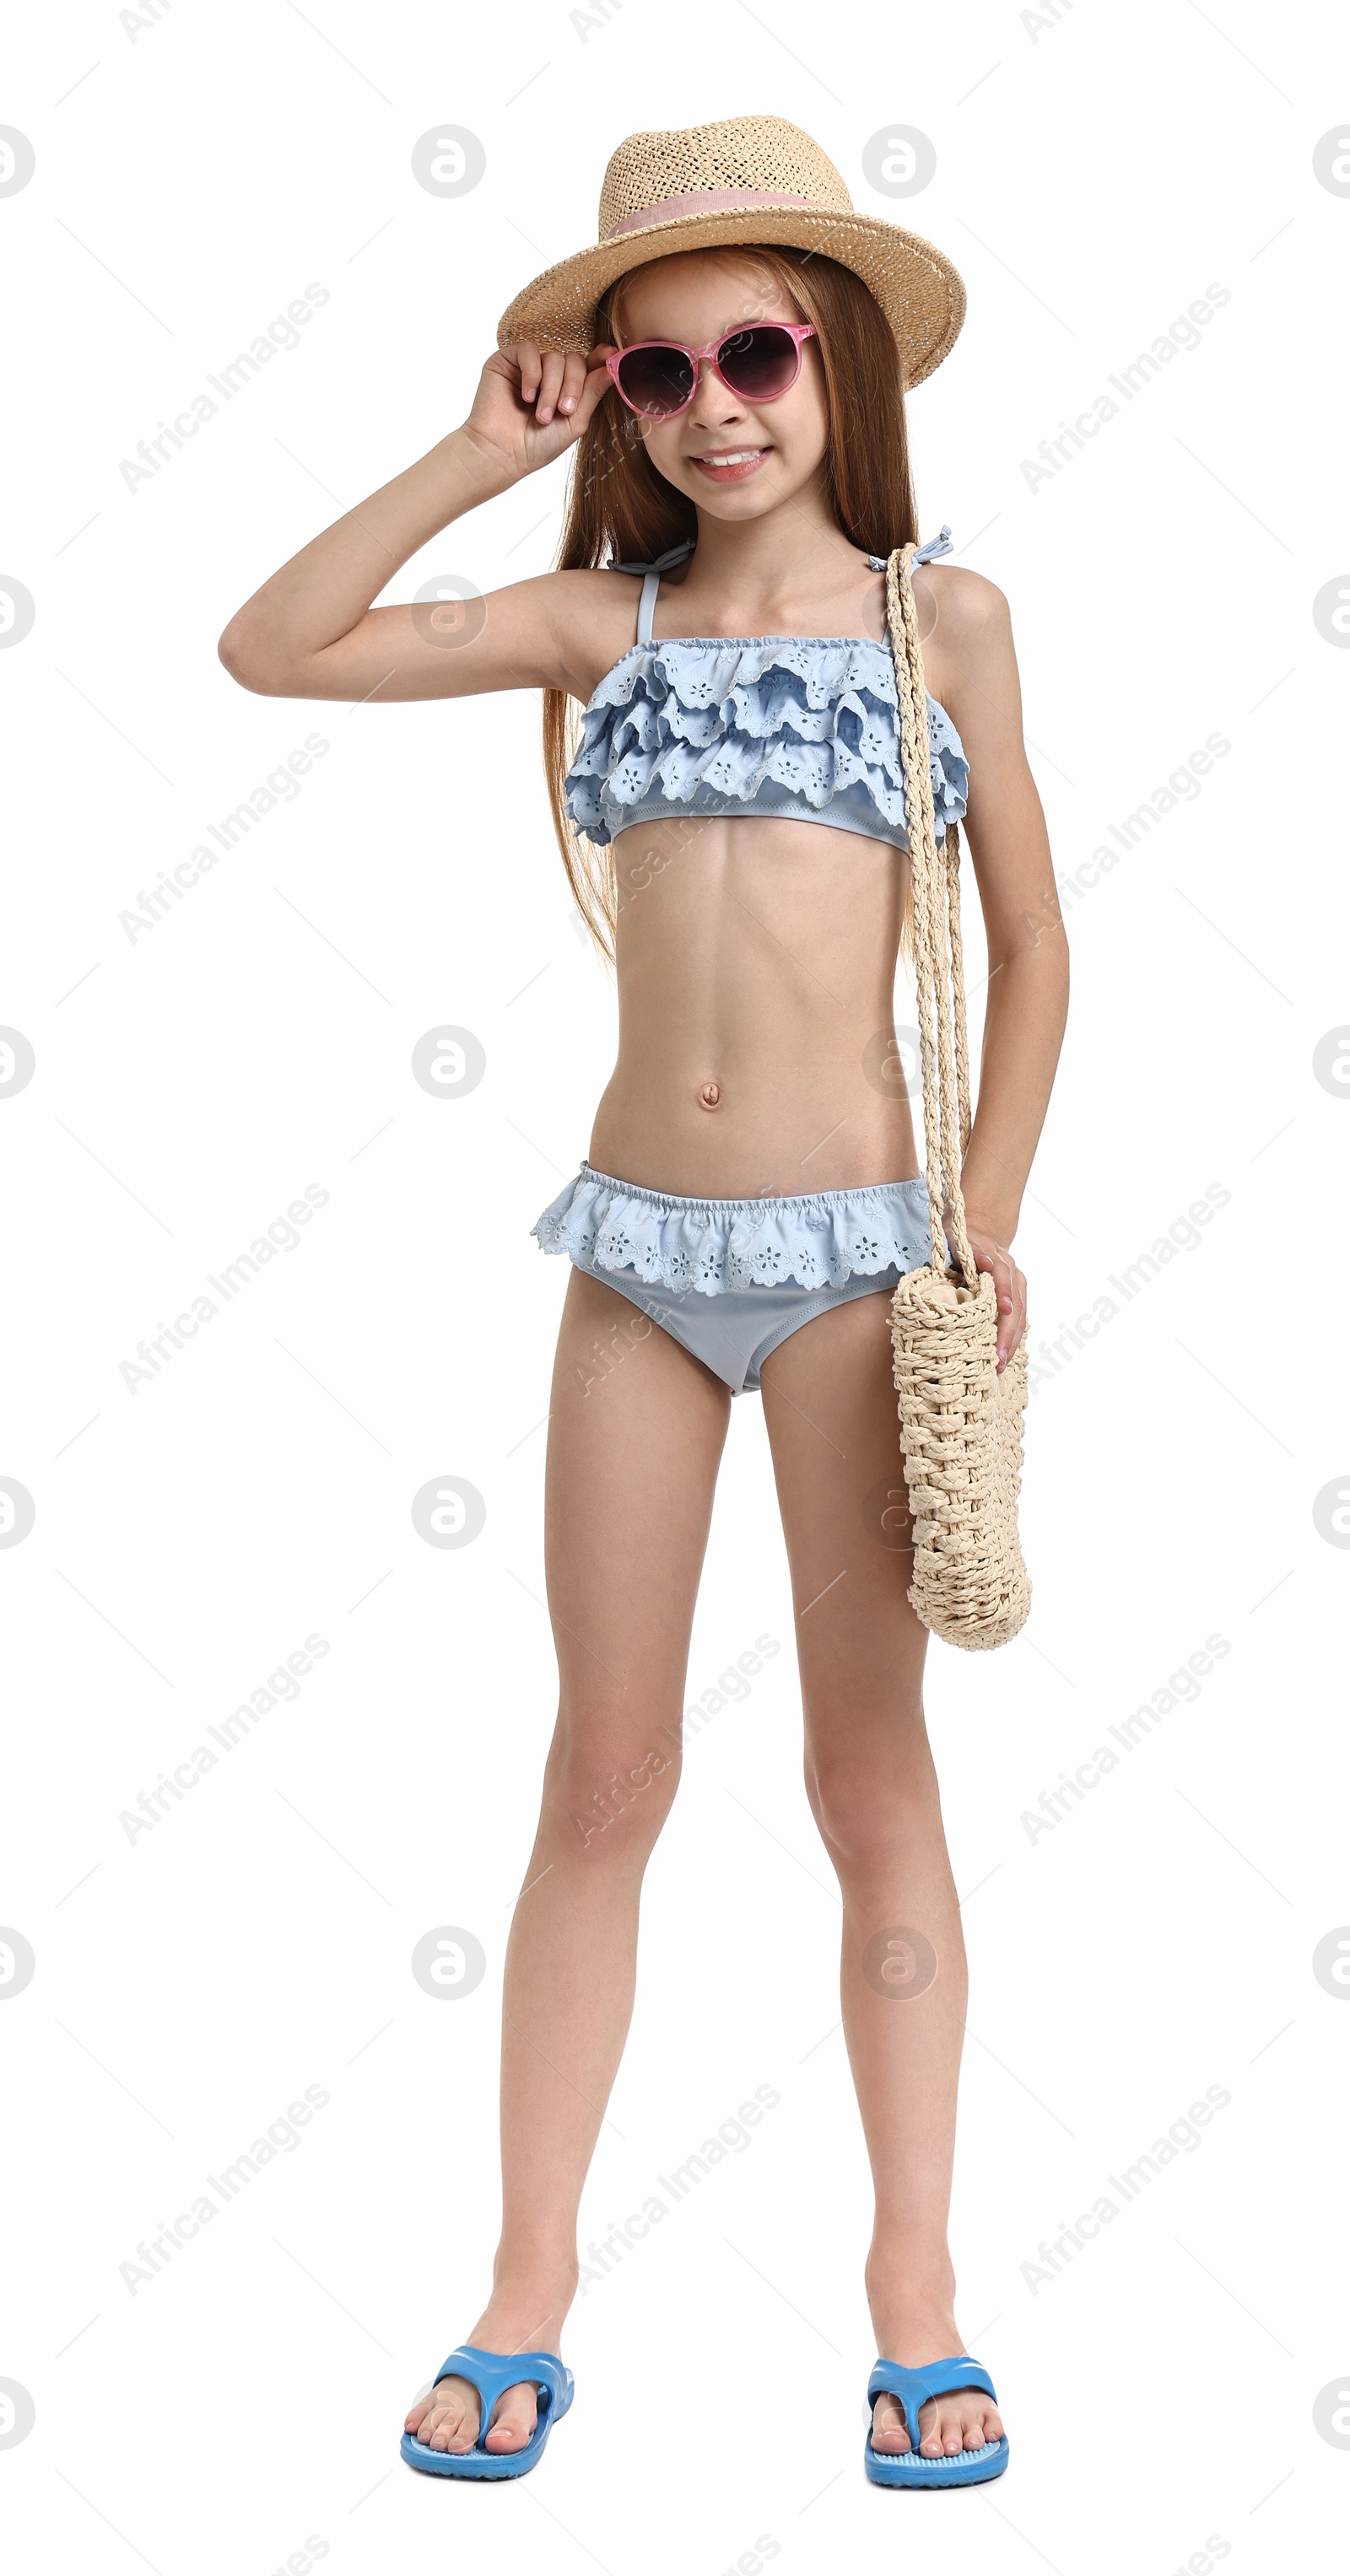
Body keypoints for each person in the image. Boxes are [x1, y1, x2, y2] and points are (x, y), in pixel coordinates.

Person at [219, 114, 1068, 2490]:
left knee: (864, 1772)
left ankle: (916, 2294)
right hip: (636, 1254)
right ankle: (525, 2286)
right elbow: (272, 646)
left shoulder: (943, 624)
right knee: (601, 1775)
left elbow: (1037, 945)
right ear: (613, 400)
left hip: (846, 1265)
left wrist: (979, 1220)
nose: (717, 405)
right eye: (659, 370)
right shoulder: (609, 625)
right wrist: (471, 451)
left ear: (840, 369)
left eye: (762, 353)